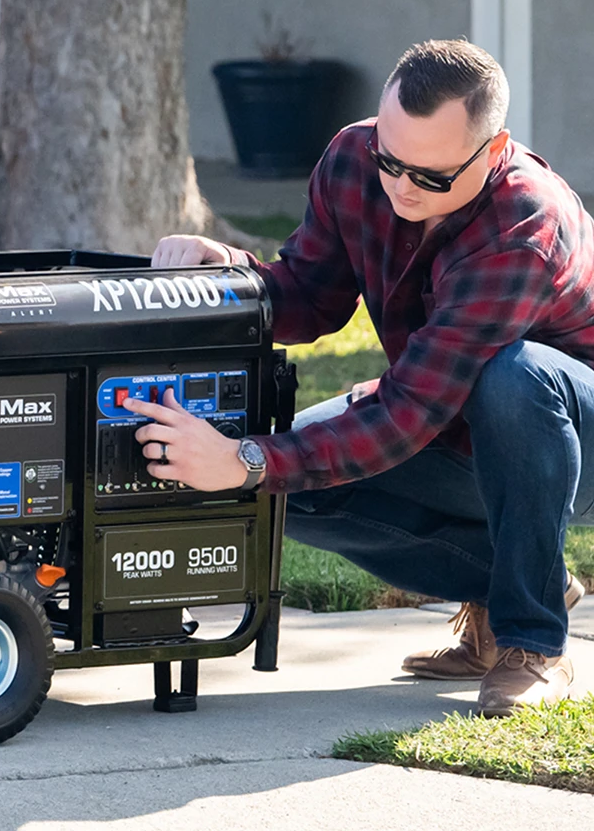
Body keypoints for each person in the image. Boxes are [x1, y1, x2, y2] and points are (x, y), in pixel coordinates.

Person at [127, 38, 594, 716]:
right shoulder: (352, 158)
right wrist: (227, 275)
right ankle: (520, 583)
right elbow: (310, 296)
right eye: (391, 161)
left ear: (493, 153)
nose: (403, 186)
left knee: (513, 378)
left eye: (430, 176)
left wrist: (244, 458)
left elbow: (408, 413)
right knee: (296, 491)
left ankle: (532, 642)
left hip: (568, 433)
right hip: (453, 415)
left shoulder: (522, 226)